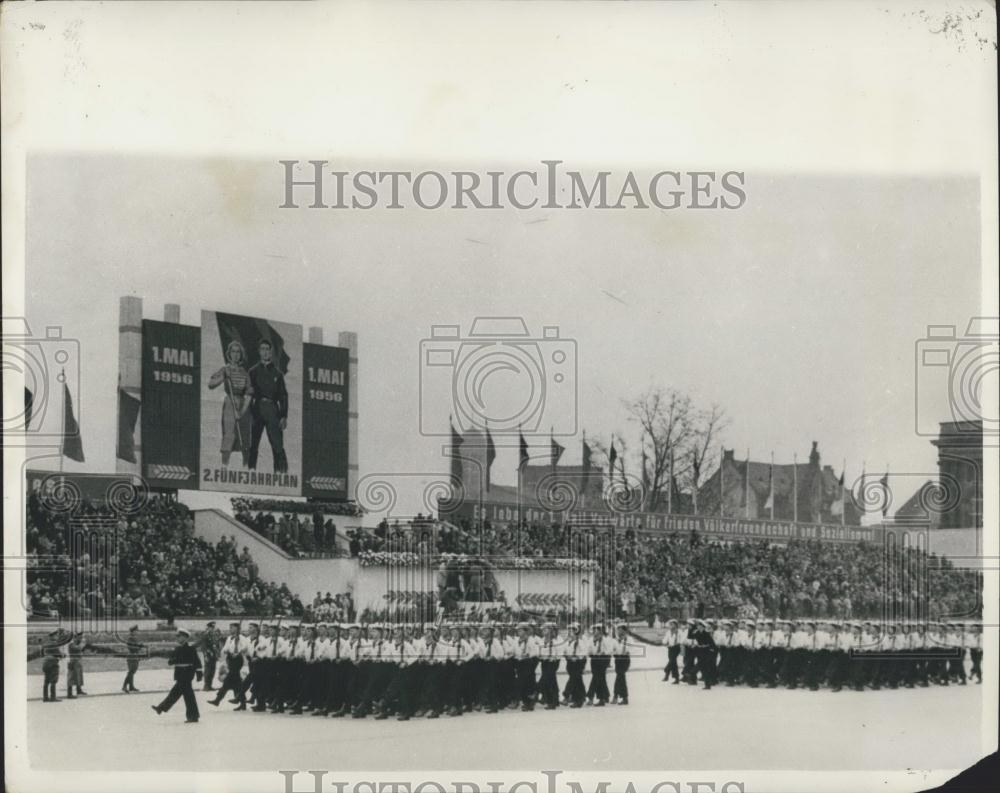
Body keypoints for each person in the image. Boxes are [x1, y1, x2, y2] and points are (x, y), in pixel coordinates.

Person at [207, 339, 252, 467]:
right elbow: (211, 384)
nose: (236, 354)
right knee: (229, 434)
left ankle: (246, 467)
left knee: (245, 436)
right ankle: (224, 466)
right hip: (229, 403)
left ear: (241, 354)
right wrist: (223, 377)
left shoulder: (245, 373)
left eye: (238, 352)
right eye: (233, 351)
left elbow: (249, 394)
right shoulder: (225, 369)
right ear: (229, 353)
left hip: (243, 403)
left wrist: (242, 411)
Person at [247, 339, 289, 473]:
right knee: (253, 443)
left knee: (277, 444)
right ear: (259, 352)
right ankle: (251, 471)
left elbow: (283, 395)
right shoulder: (253, 371)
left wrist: (283, 416)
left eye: (267, 349)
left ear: (271, 352)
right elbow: (247, 393)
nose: (265, 352)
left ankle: (280, 473)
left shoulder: (278, 374)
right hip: (257, 408)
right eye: (262, 349)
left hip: (272, 409)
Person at [152, 628, 203, 723]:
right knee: (179, 693)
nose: (177, 638)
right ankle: (161, 708)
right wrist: (171, 661)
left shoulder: (190, 649)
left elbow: (196, 661)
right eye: (177, 637)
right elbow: (174, 658)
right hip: (180, 674)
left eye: (179, 637)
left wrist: (199, 673)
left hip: (187, 674)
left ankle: (193, 716)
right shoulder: (178, 648)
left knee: (184, 695)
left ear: (185, 637)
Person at [210, 622, 249, 707]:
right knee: (236, 682)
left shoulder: (241, 637)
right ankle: (242, 702)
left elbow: (245, 647)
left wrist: (238, 652)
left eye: (232, 627)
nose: (230, 629)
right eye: (230, 627)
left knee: (228, 680)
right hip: (230, 659)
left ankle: (218, 699)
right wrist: (225, 651)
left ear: (237, 628)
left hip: (237, 659)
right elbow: (226, 647)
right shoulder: (229, 638)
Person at [586, 623, 611, 706]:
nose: (595, 631)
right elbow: (589, 649)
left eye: (597, 629)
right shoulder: (591, 639)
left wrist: (604, 652)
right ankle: (604, 697)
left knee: (596, 678)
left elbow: (609, 650)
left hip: (603, 660)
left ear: (601, 631)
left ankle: (591, 697)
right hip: (594, 659)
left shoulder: (606, 640)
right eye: (595, 629)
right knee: (601, 679)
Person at [611, 621, 631, 705]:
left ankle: (620, 697)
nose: (618, 631)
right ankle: (620, 697)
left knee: (620, 676)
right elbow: (613, 649)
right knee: (620, 677)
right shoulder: (616, 639)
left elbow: (629, 649)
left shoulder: (628, 639)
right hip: (618, 659)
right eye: (617, 629)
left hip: (624, 659)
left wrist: (625, 651)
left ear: (624, 630)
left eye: (619, 629)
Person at [198, 621, 221, 691]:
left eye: (213, 627)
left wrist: (217, 653)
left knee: (212, 670)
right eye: (211, 627)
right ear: (208, 627)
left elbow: (216, 645)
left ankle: (210, 685)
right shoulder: (205, 634)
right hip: (208, 655)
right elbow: (203, 646)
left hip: (213, 655)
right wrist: (205, 655)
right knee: (208, 670)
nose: (212, 629)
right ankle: (206, 686)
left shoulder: (214, 635)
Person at [41, 629, 63, 703]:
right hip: (53, 663)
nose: (57, 637)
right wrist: (63, 655)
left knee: (46, 681)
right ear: (53, 636)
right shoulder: (54, 644)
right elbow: (59, 654)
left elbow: (42, 654)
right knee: (53, 680)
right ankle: (53, 697)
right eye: (56, 635)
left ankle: (45, 697)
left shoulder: (45, 644)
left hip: (45, 663)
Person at [122, 625, 144, 693]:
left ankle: (131, 686)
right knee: (131, 671)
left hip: (134, 656)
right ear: (133, 631)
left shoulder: (133, 638)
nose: (137, 632)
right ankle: (124, 686)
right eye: (136, 631)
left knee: (133, 671)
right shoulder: (131, 639)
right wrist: (139, 647)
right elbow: (132, 648)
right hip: (132, 656)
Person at [66, 632, 87, 698]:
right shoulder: (71, 644)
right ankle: (69, 694)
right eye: (80, 637)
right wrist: (83, 643)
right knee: (71, 677)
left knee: (79, 676)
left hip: (78, 661)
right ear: (76, 637)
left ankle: (79, 690)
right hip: (73, 661)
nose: (81, 638)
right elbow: (78, 648)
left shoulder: (76, 643)